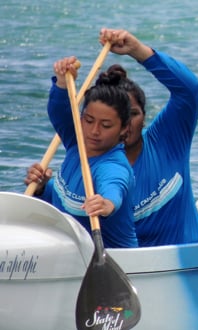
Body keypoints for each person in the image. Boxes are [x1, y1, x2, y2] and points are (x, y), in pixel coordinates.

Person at [27, 29, 198, 247]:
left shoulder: (167, 141)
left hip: (187, 262)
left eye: (133, 114)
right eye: (94, 121)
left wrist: (138, 51)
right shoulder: (87, 144)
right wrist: (42, 190)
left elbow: (189, 90)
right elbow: (70, 207)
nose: (96, 130)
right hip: (116, 266)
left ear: (143, 117)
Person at [25, 57, 138, 248]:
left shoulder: (113, 166)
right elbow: (59, 111)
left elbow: (114, 188)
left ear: (124, 129)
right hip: (71, 252)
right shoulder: (76, 142)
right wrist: (42, 188)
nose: (94, 131)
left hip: (117, 262)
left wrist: (106, 204)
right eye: (89, 120)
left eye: (106, 125)